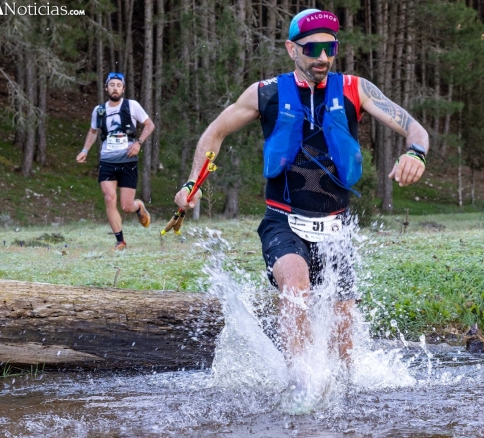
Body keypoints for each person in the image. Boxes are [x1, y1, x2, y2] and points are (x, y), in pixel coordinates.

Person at [174, 9, 428, 369]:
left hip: (337, 228)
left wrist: (416, 153)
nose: (322, 57)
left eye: (330, 47)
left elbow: (416, 129)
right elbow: (214, 132)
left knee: (344, 338)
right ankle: (301, 384)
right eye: (312, 49)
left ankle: (345, 396)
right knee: (296, 287)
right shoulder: (266, 93)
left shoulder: (356, 89)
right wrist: (192, 183)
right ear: (291, 49)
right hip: (284, 221)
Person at [77, 72, 155, 250]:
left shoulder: (132, 106)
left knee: (126, 206)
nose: (115, 88)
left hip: (128, 160)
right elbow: (93, 131)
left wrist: (139, 143)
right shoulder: (99, 110)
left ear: (123, 89)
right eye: (111, 85)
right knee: (109, 198)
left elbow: (150, 125)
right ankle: (120, 241)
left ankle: (138, 207)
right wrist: (84, 150)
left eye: (118, 85)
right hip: (107, 160)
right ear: (106, 88)